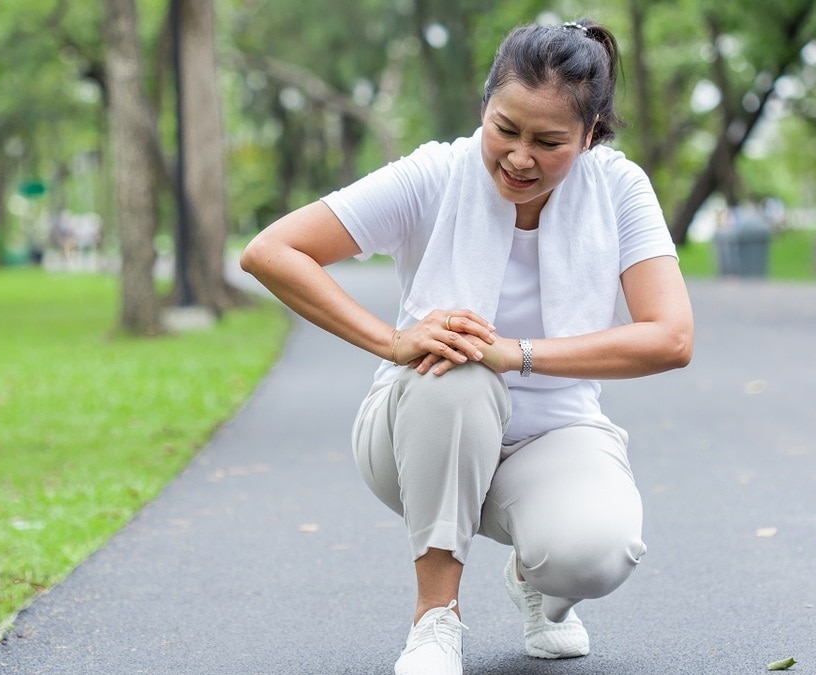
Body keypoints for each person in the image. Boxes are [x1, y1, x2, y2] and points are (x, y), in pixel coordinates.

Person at [241, 18, 694, 675]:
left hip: (552, 433)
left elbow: (671, 335)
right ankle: (435, 620)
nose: (518, 157)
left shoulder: (618, 189)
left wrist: (519, 353)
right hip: (415, 430)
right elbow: (272, 250)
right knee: (456, 364)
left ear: (591, 135)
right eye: (505, 128)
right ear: (484, 105)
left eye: (549, 141)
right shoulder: (435, 174)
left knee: (599, 550)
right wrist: (393, 340)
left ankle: (537, 580)